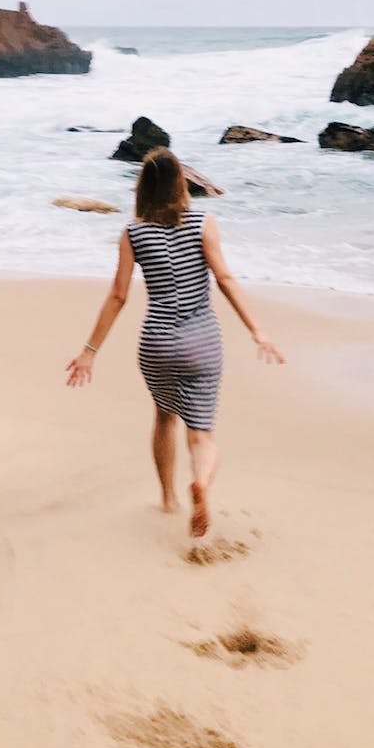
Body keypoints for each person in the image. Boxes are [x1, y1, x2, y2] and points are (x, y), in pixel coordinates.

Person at [65, 147, 285, 540]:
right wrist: (258, 331)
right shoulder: (203, 222)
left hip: (157, 343)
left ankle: (168, 498)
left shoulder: (133, 233)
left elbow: (118, 296)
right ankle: (200, 482)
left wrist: (89, 351)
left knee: (164, 417)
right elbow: (225, 279)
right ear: (181, 183)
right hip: (201, 340)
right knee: (202, 435)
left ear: (142, 189)